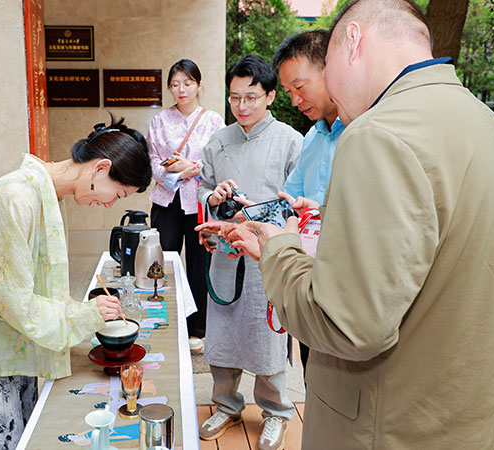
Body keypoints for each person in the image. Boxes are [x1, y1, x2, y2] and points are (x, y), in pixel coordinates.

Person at [223, 0, 494, 448]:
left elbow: (346, 325)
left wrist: (279, 249)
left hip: (383, 422)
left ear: (353, 42)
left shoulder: (376, 134)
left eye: (326, 68)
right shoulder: (483, 121)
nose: (329, 87)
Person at [0, 117, 152, 449]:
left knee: (25, 438)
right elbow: (7, 301)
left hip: (10, 341)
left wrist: (82, 312)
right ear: (100, 168)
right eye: (118, 193)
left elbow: (27, 292)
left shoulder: (44, 196)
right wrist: (83, 316)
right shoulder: (13, 196)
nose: (110, 203)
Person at [196, 54, 302, 450]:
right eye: (234, 97)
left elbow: (294, 206)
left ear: (271, 96)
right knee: (223, 333)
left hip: (267, 258)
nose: (242, 106)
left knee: (267, 334)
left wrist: (252, 216)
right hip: (226, 253)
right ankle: (226, 404)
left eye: (251, 97)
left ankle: (276, 411)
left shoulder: (292, 141)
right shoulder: (218, 141)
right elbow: (204, 189)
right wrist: (215, 196)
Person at [273, 30, 346, 374]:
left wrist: (320, 210)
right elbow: (290, 196)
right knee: (310, 367)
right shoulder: (312, 137)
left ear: (330, 70)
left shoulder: (364, 132)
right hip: (309, 276)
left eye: (300, 87)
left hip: (345, 282)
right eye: (288, 92)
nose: (295, 100)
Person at [147, 59, 225, 352]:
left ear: (199, 85)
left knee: (197, 263)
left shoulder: (214, 121)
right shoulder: (159, 121)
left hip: (199, 202)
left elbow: (218, 160)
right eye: (176, 84)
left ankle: (197, 328)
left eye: (188, 83)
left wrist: (191, 167)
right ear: (169, 87)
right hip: (166, 201)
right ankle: (161, 320)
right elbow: (152, 161)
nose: (181, 89)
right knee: (162, 261)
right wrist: (178, 172)